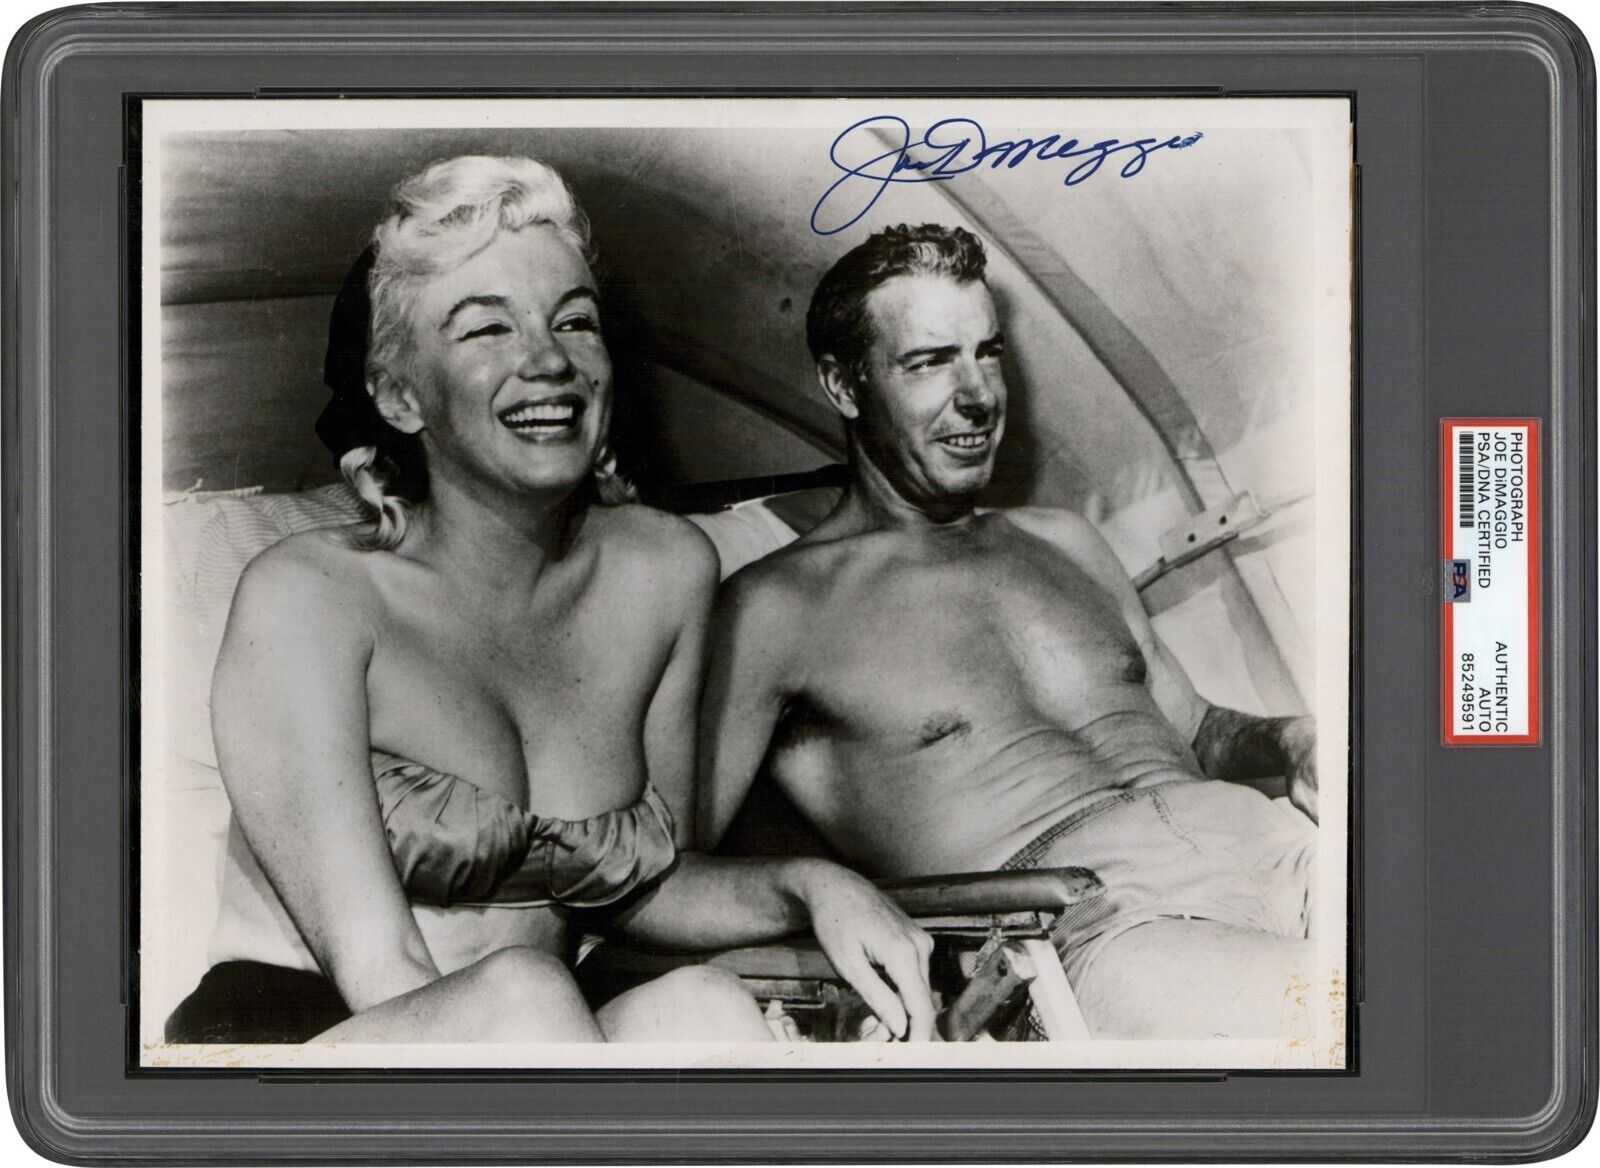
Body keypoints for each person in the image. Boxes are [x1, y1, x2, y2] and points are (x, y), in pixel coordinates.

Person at [165, 156, 934, 1047]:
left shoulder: (664, 570)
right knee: (524, 993)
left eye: (574, 321)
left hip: (534, 1040)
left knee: (705, 1008)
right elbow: (380, 969)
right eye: (487, 329)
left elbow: (644, 886)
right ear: (402, 395)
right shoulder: (308, 599)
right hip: (301, 1038)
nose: (548, 360)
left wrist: (812, 887)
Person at [698, 223, 1320, 1040]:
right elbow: (667, 875)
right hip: (1101, 929)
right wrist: (810, 889)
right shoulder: (775, 608)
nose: (978, 395)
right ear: (844, 385)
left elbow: (1196, 727)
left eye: (986, 353)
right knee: (1358, 1014)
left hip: (1279, 848)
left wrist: (1292, 738)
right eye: (929, 362)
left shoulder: (1064, 540)